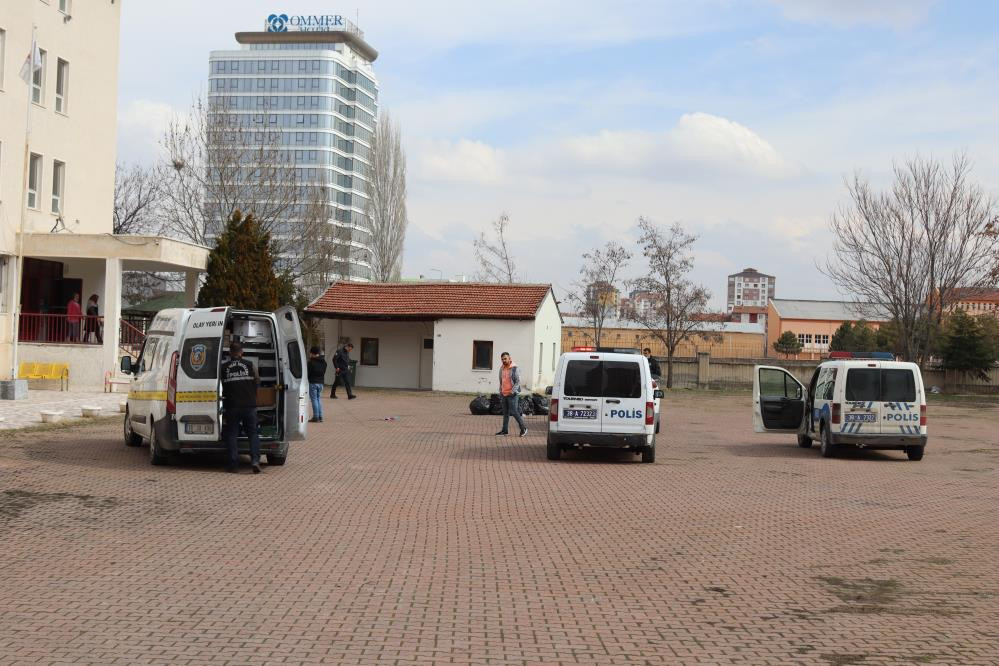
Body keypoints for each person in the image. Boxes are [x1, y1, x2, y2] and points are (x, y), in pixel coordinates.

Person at [221, 341, 262, 474]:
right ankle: (255, 461)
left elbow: (220, 385)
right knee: (252, 433)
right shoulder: (250, 365)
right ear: (242, 352)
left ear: (230, 353)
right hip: (249, 405)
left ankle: (233, 465)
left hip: (232, 405)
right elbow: (257, 381)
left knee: (232, 434)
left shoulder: (224, 367)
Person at [495, 351, 528, 437]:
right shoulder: (501, 368)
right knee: (505, 413)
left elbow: (518, 382)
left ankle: (523, 428)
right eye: (502, 359)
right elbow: (501, 380)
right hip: (504, 394)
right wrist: (501, 390)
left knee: (514, 412)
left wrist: (512, 391)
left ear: (510, 358)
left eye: (505, 358)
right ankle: (504, 430)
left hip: (512, 394)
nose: (504, 360)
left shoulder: (515, 368)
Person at [307, 346, 327, 422]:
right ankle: (320, 416)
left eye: (310, 353)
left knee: (314, 400)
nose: (310, 355)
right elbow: (323, 372)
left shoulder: (310, 362)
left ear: (312, 353)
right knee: (319, 399)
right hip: (321, 383)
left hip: (313, 383)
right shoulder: (324, 362)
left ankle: (316, 417)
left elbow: (308, 373)